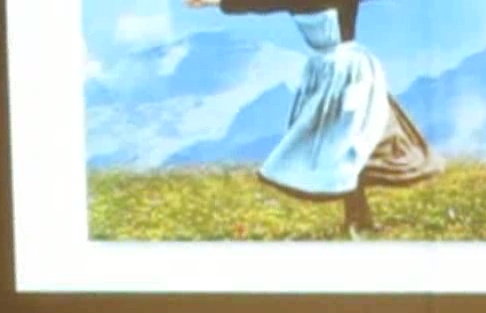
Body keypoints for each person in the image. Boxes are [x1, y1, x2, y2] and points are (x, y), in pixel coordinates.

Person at [186, 0, 443, 238]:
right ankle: (358, 216)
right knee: (343, 145)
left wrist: (215, 2)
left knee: (357, 140)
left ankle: (360, 215)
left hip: (350, 74)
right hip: (332, 73)